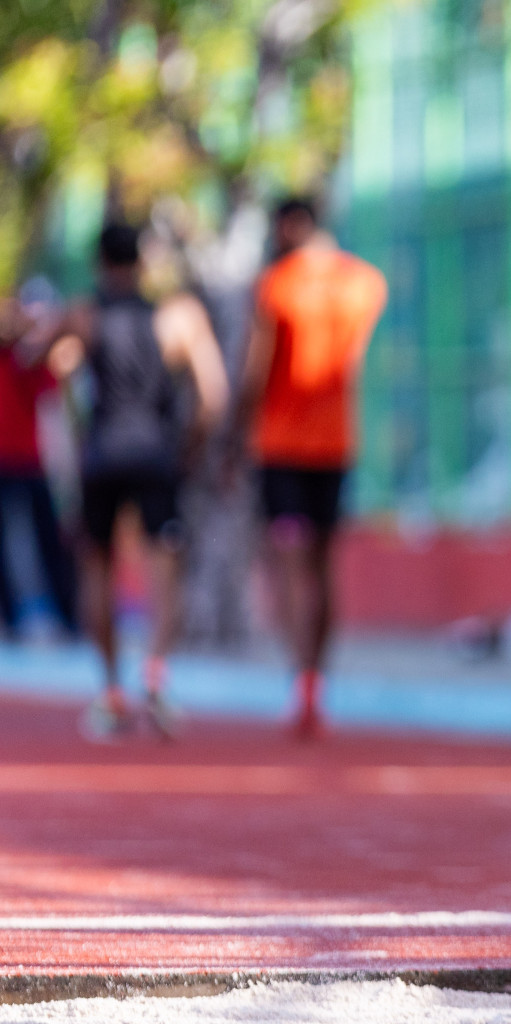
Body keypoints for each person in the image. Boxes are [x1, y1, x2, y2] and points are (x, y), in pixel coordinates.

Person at [22, 224, 227, 739]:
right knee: (166, 572)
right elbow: (213, 395)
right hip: (158, 457)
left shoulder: (82, 315)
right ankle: (154, 674)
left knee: (97, 571)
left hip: (101, 459)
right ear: (142, 262)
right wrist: (191, 450)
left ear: (98, 263)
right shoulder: (180, 317)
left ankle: (112, 691)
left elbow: (37, 357)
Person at [231, 197, 387, 740]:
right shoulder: (366, 283)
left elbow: (256, 370)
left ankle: (300, 682)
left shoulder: (276, 283)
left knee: (291, 566)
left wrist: (233, 438)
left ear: (292, 225)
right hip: (337, 446)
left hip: (280, 446)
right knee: (322, 566)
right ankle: (318, 682)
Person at [0, 298, 78, 640]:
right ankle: (11, 617)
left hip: (30, 462)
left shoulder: (27, 359)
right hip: (6, 463)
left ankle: (69, 615)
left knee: (50, 539)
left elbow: (53, 390)